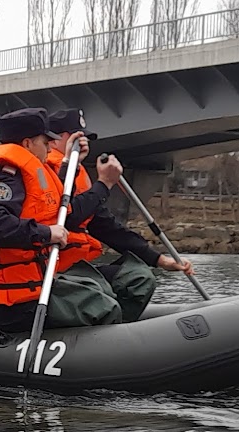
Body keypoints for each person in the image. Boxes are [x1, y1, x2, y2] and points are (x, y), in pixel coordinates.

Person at [0, 107, 170, 332]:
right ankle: (103, 353)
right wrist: (47, 233)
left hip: (28, 287)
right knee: (104, 306)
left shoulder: (30, 173)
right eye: (44, 142)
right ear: (27, 144)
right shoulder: (8, 176)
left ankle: (102, 341)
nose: (49, 146)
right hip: (8, 302)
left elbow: (58, 209)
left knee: (112, 290)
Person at [42, 108, 195, 326]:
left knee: (139, 279)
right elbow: (64, 217)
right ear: (56, 138)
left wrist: (159, 260)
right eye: (75, 136)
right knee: (100, 293)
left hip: (78, 266)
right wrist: (104, 184)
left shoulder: (78, 174)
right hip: (52, 270)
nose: (83, 141)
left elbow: (107, 227)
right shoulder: (46, 169)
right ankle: (98, 330)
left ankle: (114, 334)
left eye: (84, 136)